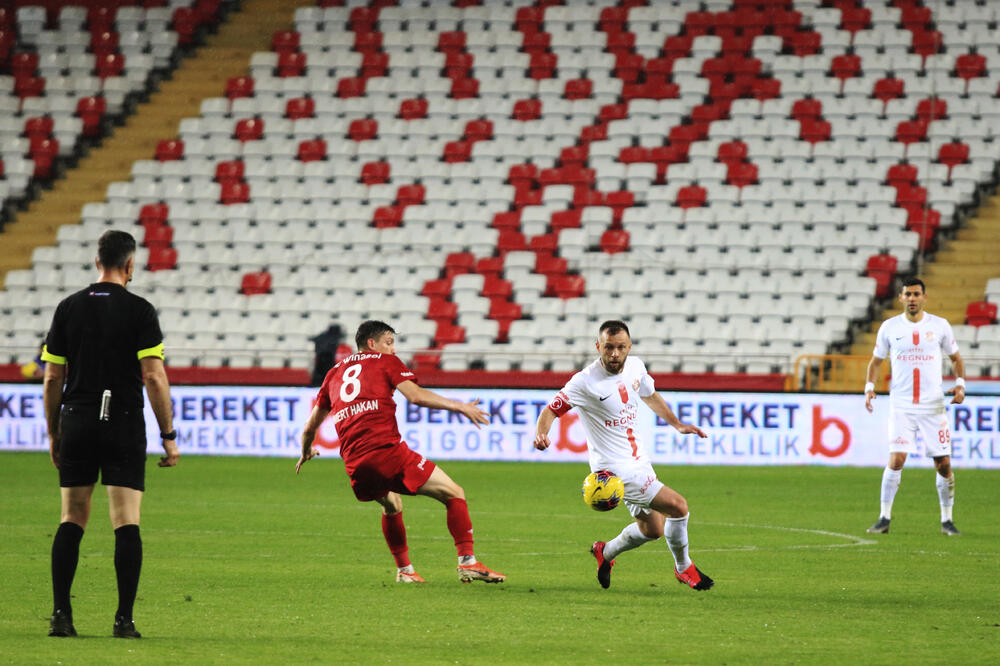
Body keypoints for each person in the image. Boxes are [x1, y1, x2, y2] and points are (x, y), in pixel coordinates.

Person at [41, 230, 179, 639]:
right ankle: (123, 620)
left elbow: (52, 377)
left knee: (72, 518)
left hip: (78, 418)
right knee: (126, 522)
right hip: (122, 419)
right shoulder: (140, 311)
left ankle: (62, 616)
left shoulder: (68, 308)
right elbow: (153, 376)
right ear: (130, 264)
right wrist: (168, 433)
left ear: (96, 261)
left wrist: (54, 431)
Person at [296, 320, 505, 584]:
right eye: (389, 343)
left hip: (354, 462)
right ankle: (468, 562)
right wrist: (460, 406)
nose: (393, 350)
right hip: (385, 451)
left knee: (392, 504)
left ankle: (405, 571)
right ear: (372, 344)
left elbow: (309, 426)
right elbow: (415, 396)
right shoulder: (385, 362)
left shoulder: (332, 375)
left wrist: (305, 451)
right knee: (454, 493)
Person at [533, 320, 714, 591]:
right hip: (616, 471)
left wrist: (677, 424)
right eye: (608, 347)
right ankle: (684, 568)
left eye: (620, 347)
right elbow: (550, 411)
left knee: (653, 529)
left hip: (640, 460)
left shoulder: (636, 366)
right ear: (598, 347)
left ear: (629, 346)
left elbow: (650, 395)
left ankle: (605, 553)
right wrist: (541, 433)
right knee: (678, 507)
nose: (614, 353)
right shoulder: (584, 382)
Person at [864, 277, 966, 536]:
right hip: (902, 405)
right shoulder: (889, 327)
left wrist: (961, 384)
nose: (912, 298)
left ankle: (947, 520)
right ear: (900, 298)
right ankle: (884, 518)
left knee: (943, 463)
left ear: (924, 297)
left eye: (916, 294)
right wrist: (869, 387)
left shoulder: (940, 326)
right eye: (907, 294)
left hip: (933, 405)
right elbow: (875, 362)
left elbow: (955, 358)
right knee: (897, 459)